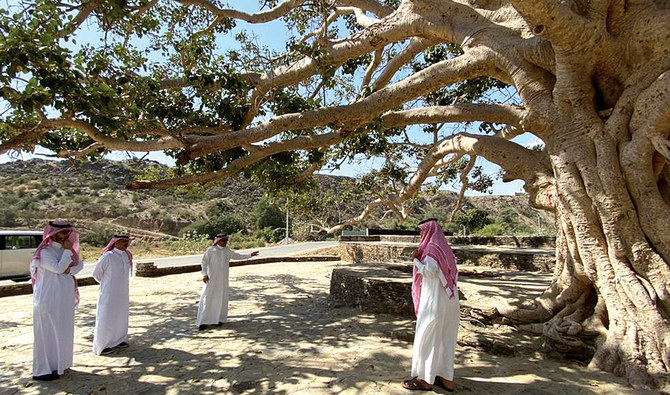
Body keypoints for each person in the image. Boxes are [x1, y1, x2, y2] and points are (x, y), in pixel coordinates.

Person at [402, 218, 459, 392]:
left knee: (428, 336)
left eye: (422, 231)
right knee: (445, 338)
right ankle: (445, 378)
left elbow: (430, 271)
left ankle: (425, 380)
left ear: (428, 231)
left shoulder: (432, 248)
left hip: (435, 301)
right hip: (449, 301)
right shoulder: (444, 247)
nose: (421, 234)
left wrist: (415, 260)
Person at [31, 221, 84, 381]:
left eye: (68, 233)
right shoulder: (45, 252)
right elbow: (58, 268)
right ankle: (42, 371)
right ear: (53, 234)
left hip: (63, 299)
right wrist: (67, 263)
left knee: (62, 331)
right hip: (48, 299)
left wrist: (68, 267)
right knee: (47, 334)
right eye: (62, 233)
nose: (66, 236)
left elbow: (79, 266)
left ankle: (59, 365)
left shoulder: (67, 251)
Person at [196, 233, 259, 330]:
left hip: (223, 280)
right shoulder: (211, 250)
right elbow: (204, 262)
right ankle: (203, 322)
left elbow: (237, 256)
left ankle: (217, 319)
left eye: (226, 241)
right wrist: (204, 274)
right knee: (208, 298)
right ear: (218, 241)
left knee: (221, 299)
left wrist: (250, 255)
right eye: (223, 240)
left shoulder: (227, 251)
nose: (225, 242)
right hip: (211, 279)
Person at [92, 234, 133, 355]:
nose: (126, 244)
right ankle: (103, 345)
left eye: (127, 241)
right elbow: (96, 274)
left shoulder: (126, 255)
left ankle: (119, 340)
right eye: (123, 241)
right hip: (109, 293)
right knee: (106, 316)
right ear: (115, 243)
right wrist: (107, 284)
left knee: (121, 315)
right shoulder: (108, 257)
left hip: (122, 292)